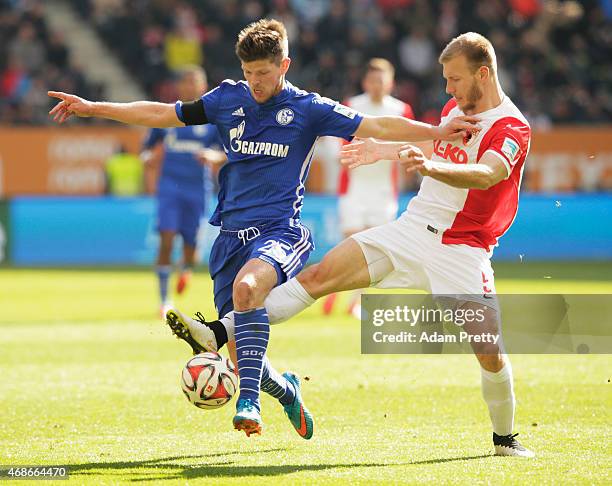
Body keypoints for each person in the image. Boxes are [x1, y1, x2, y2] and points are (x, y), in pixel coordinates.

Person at [48, 19, 477, 439]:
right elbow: (164, 114)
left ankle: (247, 403)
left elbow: (378, 125)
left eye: (263, 73)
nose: (254, 81)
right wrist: (93, 107)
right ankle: (285, 389)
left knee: (248, 289)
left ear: (284, 66)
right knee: (241, 354)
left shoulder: (309, 109)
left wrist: (439, 131)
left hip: (281, 231)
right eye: (248, 72)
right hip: (229, 237)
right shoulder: (226, 99)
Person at [170, 32, 535, 457]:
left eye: (454, 80)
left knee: (489, 352)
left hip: (463, 249)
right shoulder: (457, 109)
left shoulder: (512, 127)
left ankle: (505, 440)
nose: (448, 90)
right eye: (446, 80)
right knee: (318, 275)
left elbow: (488, 174)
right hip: (412, 230)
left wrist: (426, 164)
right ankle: (218, 331)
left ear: (483, 73)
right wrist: (385, 149)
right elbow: (433, 142)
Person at [323, 58, 415, 317]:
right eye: (373, 80)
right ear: (366, 82)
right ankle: (333, 289)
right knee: (350, 243)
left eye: (382, 80)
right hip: (354, 187)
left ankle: (356, 300)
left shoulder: (401, 110)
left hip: (384, 190)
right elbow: (333, 140)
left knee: (374, 249)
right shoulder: (352, 106)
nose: (377, 85)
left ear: (390, 82)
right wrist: (342, 157)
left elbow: (413, 144)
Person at [140, 66, 225, 316]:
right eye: (185, 82)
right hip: (169, 187)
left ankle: (186, 267)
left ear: (203, 86)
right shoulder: (168, 116)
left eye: (194, 82)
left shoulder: (211, 120)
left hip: (198, 189)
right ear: (179, 86)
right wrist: (147, 158)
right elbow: (147, 148)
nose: (189, 86)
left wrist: (213, 156)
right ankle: (164, 300)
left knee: (191, 246)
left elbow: (226, 152)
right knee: (166, 238)